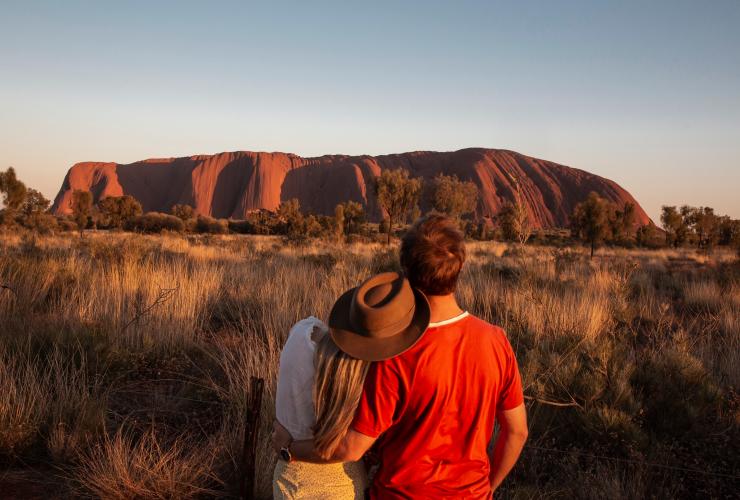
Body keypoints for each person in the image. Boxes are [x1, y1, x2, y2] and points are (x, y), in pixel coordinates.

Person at [274, 215, 528, 498]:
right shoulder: (497, 341)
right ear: (460, 267)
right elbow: (517, 432)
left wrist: (290, 450)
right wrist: (487, 488)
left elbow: (354, 447)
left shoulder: (394, 354)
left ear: (405, 271)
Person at [273, 271, 431, 499]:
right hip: (344, 485)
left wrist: (287, 448)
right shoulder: (371, 379)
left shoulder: (301, 332)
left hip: (288, 479)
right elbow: (354, 448)